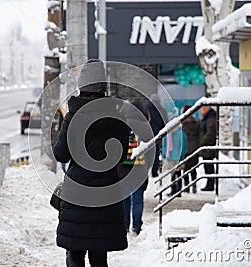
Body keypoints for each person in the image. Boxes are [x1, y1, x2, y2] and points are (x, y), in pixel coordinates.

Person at [53, 59, 130, 267]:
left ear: (81, 85)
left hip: (76, 191)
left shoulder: (72, 117)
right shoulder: (117, 118)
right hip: (105, 192)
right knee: (99, 255)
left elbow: (61, 154)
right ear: (103, 86)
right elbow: (121, 155)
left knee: (75, 252)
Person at [117, 100, 152, 236]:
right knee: (138, 199)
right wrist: (147, 166)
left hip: (123, 169)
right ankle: (137, 227)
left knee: (125, 198)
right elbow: (151, 150)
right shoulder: (146, 127)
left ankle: (124, 225)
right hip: (140, 169)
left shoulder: (122, 123)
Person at [161, 108, 187, 197]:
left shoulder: (168, 133)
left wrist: (165, 154)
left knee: (173, 175)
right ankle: (177, 190)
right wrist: (182, 154)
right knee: (177, 174)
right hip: (177, 157)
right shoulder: (180, 132)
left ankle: (174, 190)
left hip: (172, 156)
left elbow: (164, 145)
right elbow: (184, 145)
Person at [146, 94, 167, 177]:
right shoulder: (161, 110)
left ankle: (145, 170)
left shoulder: (146, 109)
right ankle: (154, 172)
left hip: (147, 134)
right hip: (158, 135)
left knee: (146, 153)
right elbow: (165, 123)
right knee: (156, 154)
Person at [181, 105, 200, 193]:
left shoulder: (183, 124)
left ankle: (187, 186)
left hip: (186, 149)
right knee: (193, 169)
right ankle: (194, 185)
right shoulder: (196, 123)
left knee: (185, 169)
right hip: (194, 148)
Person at [199, 106, 217, 191]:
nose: (202, 110)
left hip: (208, 146)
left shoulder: (211, 118)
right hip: (206, 147)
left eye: (204, 108)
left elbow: (211, 133)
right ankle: (209, 183)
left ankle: (210, 184)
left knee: (208, 166)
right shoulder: (208, 117)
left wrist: (202, 141)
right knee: (207, 165)